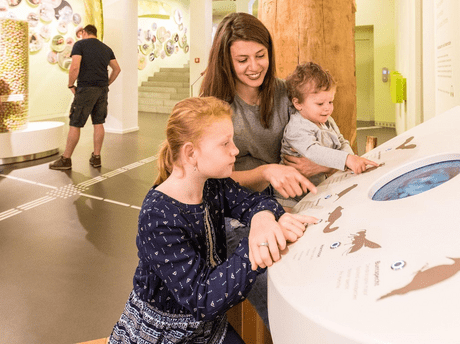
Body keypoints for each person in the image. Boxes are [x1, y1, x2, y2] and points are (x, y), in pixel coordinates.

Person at [109, 97, 316, 344]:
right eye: (225, 143)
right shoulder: (158, 216)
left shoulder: (213, 185)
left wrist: (263, 221)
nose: (235, 150)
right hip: (166, 337)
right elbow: (203, 298)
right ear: (190, 153)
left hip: (209, 329)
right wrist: (257, 246)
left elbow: (256, 202)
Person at [199, 12, 333, 328]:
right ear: (225, 62)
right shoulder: (212, 107)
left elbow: (335, 144)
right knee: (274, 279)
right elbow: (211, 181)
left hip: (293, 202)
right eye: (242, 59)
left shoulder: (288, 93)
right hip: (238, 211)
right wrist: (267, 172)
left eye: (260, 55)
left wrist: (317, 163)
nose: (254, 66)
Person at [279, 62, 378, 205]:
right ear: (298, 104)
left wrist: (351, 159)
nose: (327, 108)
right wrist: (346, 159)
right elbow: (313, 151)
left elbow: (341, 141)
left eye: (330, 102)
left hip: (317, 189)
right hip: (290, 196)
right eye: (320, 104)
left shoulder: (327, 121)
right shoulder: (297, 127)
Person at [49, 24, 121, 170]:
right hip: (102, 90)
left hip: (86, 88)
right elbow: (117, 69)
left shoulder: (80, 45)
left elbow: (75, 67)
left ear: (83, 32)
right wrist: (107, 83)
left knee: (75, 123)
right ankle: (96, 157)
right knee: (98, 122)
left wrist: (70, 85)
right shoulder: (106, 48)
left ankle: (66, 159)